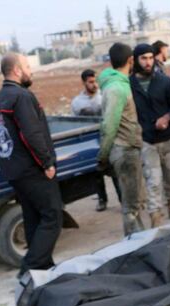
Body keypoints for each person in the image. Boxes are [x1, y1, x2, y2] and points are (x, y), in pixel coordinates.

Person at [0, 53, 60, 276]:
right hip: (33, 169)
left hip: (13, 171)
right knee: (53, 215)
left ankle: (44, 270)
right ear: (17, 70)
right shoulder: (22, 97)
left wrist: (8, 161)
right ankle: (29, 270)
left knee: (33, 218)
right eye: (28, 66)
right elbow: (31, 134)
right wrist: (46, 163)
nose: (31, 70)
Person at [130, 44, 170, 228]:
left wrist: (167, 117)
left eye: (150, 58)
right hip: (147, 141)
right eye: (143, 58)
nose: (148, 62)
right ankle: (156, 217)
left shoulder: (165, 81)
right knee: (153, 181)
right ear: (136, 60)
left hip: (168, 138)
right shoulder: (130, 86)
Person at [98, 42, 146, 236]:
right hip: (125, 150)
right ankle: (135, 247)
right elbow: (109, 127)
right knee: (131, 207)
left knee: (133, 203)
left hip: (126, 149)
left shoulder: (115, 84)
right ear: (130, 60)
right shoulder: (117, 88)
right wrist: (103, 156)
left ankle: (139, 241)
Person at [70, 69, 121, 212]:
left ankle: (122, 200)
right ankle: (102, 200)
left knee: (114, 172)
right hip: (91, 144)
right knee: (96, 174)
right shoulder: (77, 102)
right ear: (84, 82)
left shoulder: (104, 97)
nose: (95, 85)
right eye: (91, 82)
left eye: (96, 81)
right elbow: (74, 123)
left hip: (107, 140)